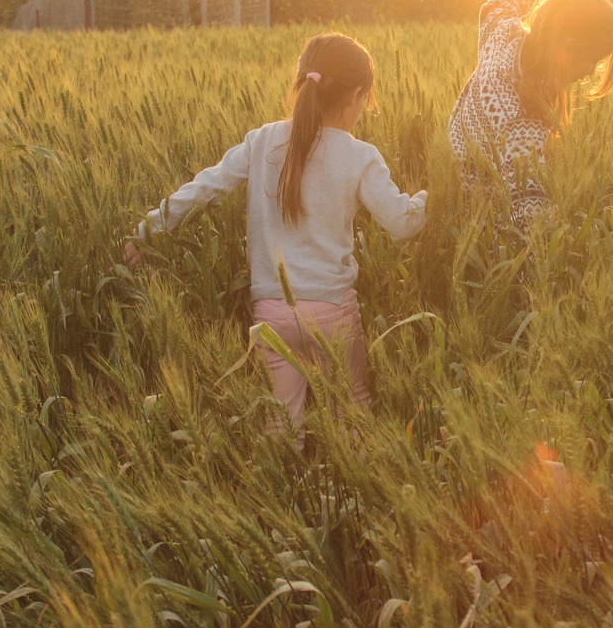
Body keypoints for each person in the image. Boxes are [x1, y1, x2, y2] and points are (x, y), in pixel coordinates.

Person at [124, 33, 427, 427]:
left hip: (271, 313)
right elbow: (401, 224)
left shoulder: (263, 140)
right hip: (333, 312)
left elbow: (205, 187)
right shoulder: (359, 156)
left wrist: (149, 229)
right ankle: (350, 484)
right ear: (357, 96)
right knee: (352, 411)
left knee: (281, 423)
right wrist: (429, 197)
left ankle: (282, 484)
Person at [448, 0, 613, 231]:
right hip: (483, 194)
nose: (593, 71)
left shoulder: (502, 31)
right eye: (593, 60)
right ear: (568, 48)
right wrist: (566, 234)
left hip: (463, 145)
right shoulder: (523, 117)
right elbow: (527, 204)